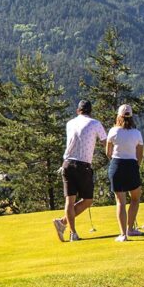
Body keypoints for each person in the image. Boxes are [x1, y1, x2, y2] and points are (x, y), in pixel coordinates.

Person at [53, 99, 107, 242]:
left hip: (67, 164)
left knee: (69, 201)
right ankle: (64, 224)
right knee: (88, 200)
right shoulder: (95, 124)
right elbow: (105, 143)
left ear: (78, 111)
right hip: (83, 165)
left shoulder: (69, 123)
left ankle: (71, 232)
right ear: (91, 111)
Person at [106, 104, 144, 242]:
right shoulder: (137, 133)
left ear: (119, 116)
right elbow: (140, 154)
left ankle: (123, 234)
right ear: (131, 117)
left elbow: (108, 152)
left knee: (120, 202)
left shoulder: (113, 131)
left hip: (116, 165)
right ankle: (130, 229)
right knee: (135, 199)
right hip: (132, 165)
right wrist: (135, 166)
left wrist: (115, 163)